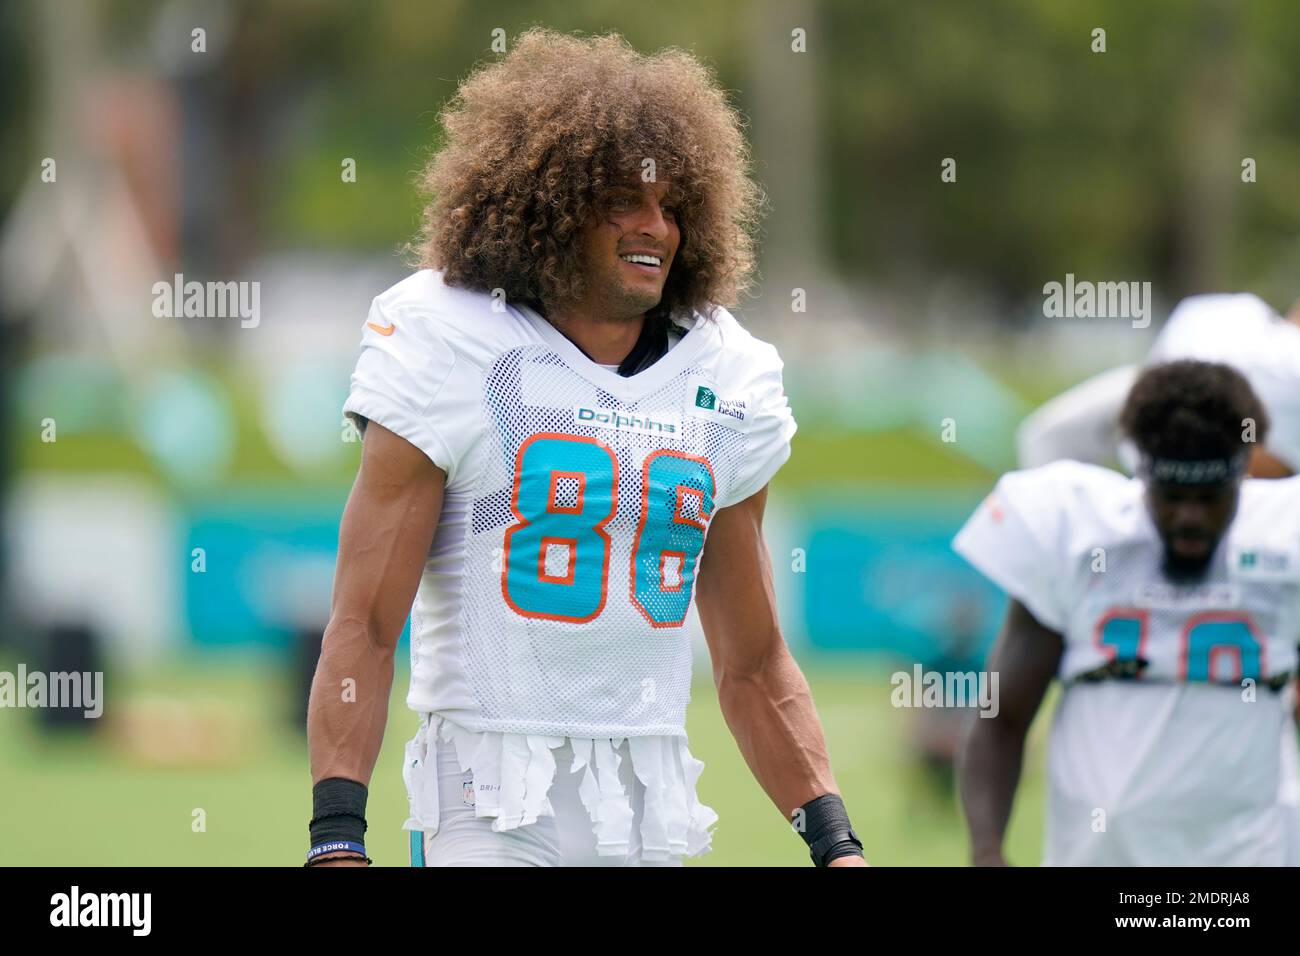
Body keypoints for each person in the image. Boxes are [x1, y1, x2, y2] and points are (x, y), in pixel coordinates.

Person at [305, 29, 865, 868]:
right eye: (626, 200)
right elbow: (367, 623)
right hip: (484, 799)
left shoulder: (729, 372)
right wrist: (337, 834)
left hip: (648, 807)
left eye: (675, 205)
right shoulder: (450, 337)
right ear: (547, 202)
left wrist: (835, 843)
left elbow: (751, 663)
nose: (658, 227)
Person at [955, 360, 1300, 865]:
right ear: (1139, 472)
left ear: (1244, 471)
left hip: (1248, 853)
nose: (1190, 517)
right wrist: (987, 851)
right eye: (1173, 496)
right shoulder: (1080, 538)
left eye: (1209, 498)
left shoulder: (1282, 541)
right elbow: (1002, 716)